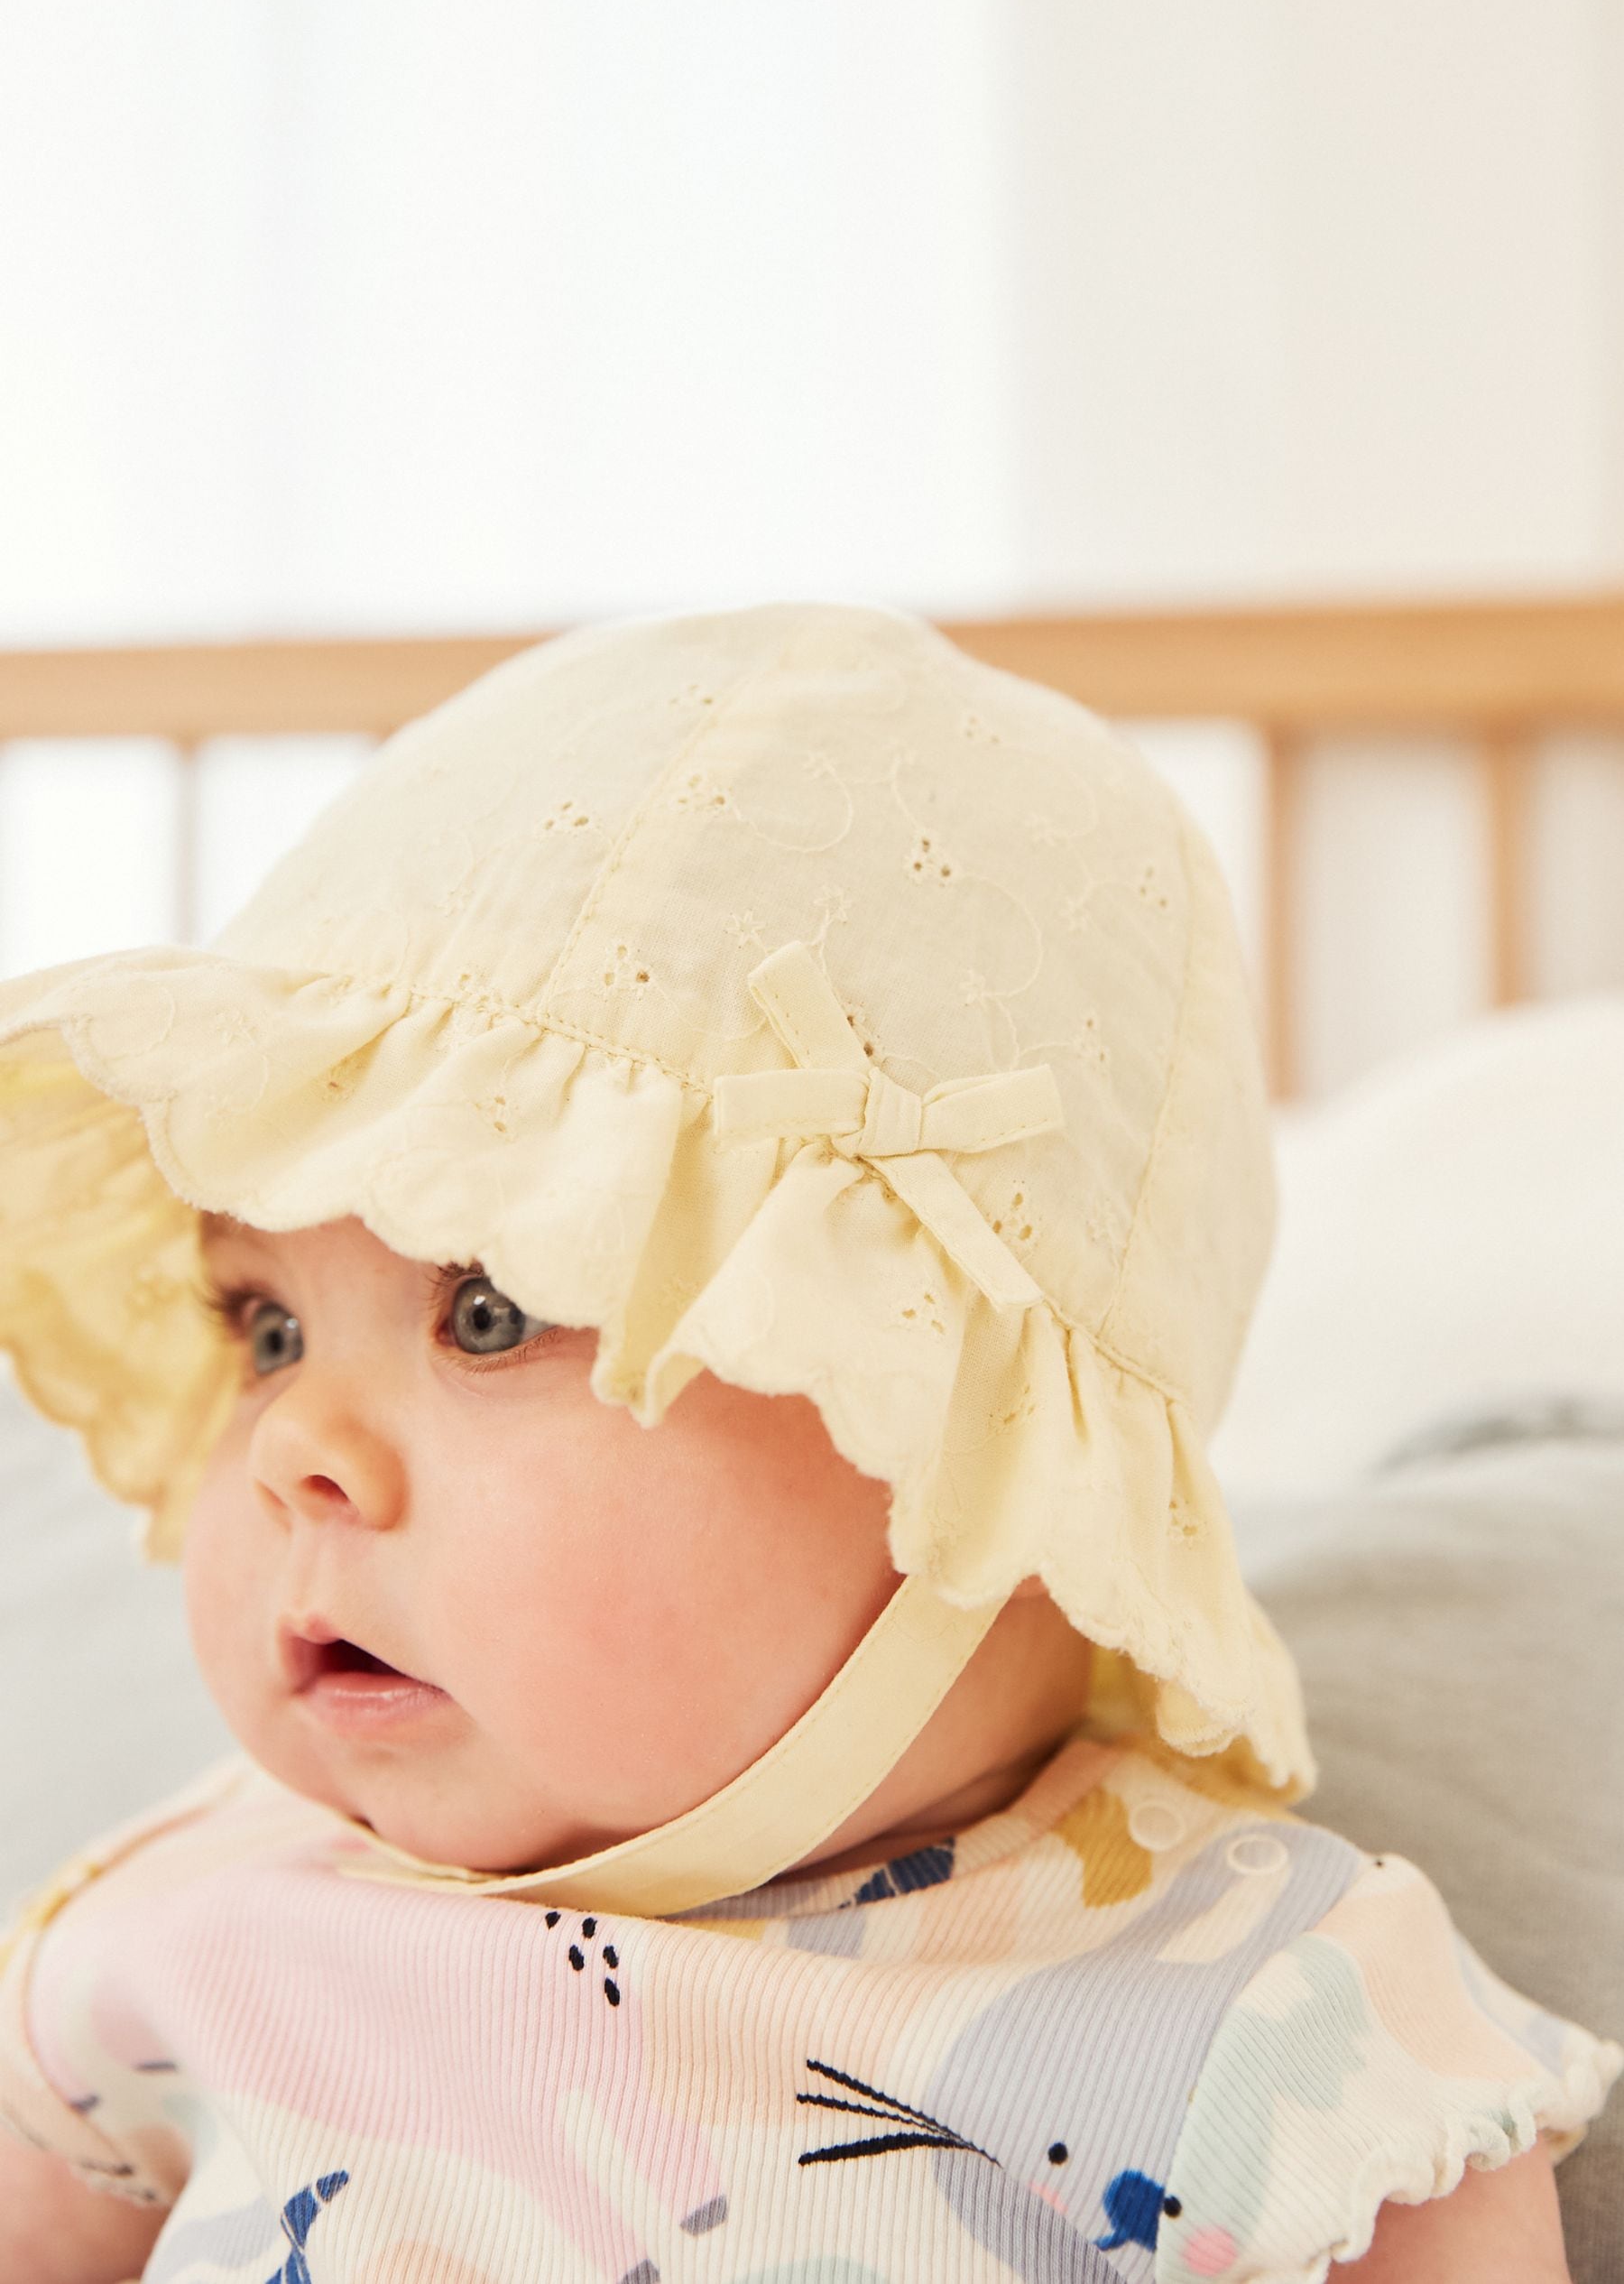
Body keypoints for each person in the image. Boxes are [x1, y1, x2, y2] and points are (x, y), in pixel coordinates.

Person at [0, 603, 1613, 2284]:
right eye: (265, 1329)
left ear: (945, 1440)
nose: (290, 1450)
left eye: (489, 1312)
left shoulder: (1256, 2013)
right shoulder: (179, 1925)